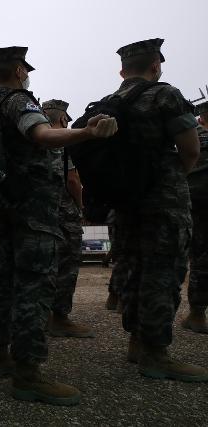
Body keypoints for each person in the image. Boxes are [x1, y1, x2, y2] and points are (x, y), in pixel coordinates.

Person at [0, 46, 118, 406]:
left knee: (4, 282)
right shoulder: (19, 101)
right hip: (32, 214)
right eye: (26, 69)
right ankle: (28, 375)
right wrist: (86, 133)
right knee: (34, 289)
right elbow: (42, 135)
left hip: (5, 212)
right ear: (20, 71)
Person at [110, 39, 207, 382]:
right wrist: (170, 179)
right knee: (162, 274)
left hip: (126, 204)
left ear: (123, 70)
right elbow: (191, 149)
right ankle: (156, 354)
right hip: (163, 202)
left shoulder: (114, 102)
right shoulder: (165, 95)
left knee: (134, 270)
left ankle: (137, 342)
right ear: (155, 66)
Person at [42, 99, 94, 338]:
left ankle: (41, 315)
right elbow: (73, 180)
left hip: (39, 215)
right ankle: (60, 318)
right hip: (64, 215)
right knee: (67, 265)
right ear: (63, 119)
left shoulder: (32, 142)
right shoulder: (61, 145)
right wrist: (81, 207)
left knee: (43, 266)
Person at [181, 100, 208, 334]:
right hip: (198, 205)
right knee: (201, 259)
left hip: (193, 201)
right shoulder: (195, 134)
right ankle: (197, 312)